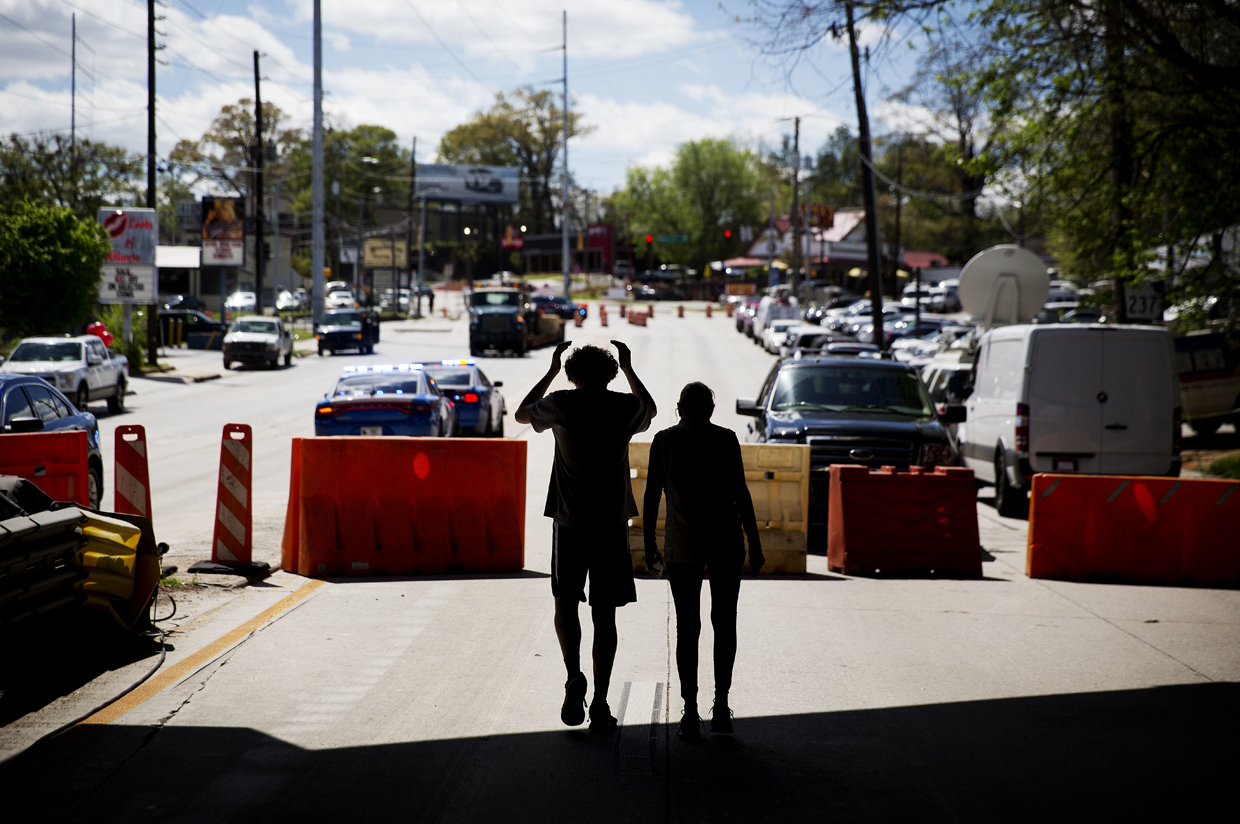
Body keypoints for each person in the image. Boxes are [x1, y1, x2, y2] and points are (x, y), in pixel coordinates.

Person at [515, 340, 657, 733]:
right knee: (605, 614)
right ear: (611, 375)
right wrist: (630, 368)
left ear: (571, 375)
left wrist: (549, 371)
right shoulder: (624, 407)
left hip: (570, 520)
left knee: (565, 603)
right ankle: (600, 701)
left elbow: (520, 415)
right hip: (610, 522)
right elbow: (652, 408)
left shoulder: (560, 402)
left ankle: (573, 674)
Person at [643, 382, 764, 740]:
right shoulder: (726, 439)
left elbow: (651, 495)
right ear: (711, 409)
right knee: (724, 623)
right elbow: (741, 494)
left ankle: (690, 712)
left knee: (687, 627)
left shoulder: (664, 441)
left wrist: (650, 544)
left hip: (681, 544)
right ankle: (721, 706)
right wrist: (755, 544)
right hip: (726, 541)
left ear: (679, 408)